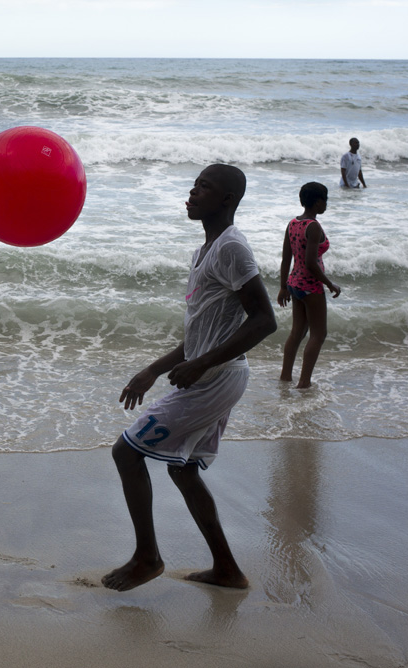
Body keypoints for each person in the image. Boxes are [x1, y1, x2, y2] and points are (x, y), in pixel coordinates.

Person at [102, 165, 276, 593]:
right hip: (216, 375)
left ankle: (148, 558)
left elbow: (265, 321)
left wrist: (201, 365)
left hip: (217, 379)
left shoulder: (232, 248)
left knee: (126, 453)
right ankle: (227, 571)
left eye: (205, 187)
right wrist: (153, 370)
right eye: (194, 184)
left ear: (228, 200)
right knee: (183, 472)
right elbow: (201, 335)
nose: (193, 192)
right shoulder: (205, 251)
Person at [277, 182, 341, 389]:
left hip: (294, 283)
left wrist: (283, 286)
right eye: (325, 200)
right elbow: (311, 263)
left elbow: (286, 259)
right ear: (317, 201)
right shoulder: (313, 227)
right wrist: (329, 284)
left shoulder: (293, 223)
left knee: (297, 332)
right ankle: (304, 382)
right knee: (318, 334)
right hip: (310, 285)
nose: (326, 204)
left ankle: (286, 377)